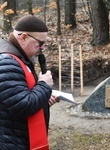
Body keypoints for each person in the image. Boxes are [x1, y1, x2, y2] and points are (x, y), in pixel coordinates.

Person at [0, 15, 59, 149]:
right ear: (24, 37)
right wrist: (44, 85)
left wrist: (44, 98)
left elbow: (20, 97)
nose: (42, 48)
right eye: (40, 43)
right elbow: (23, 106)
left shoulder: (17, 59)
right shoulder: (7, 62)